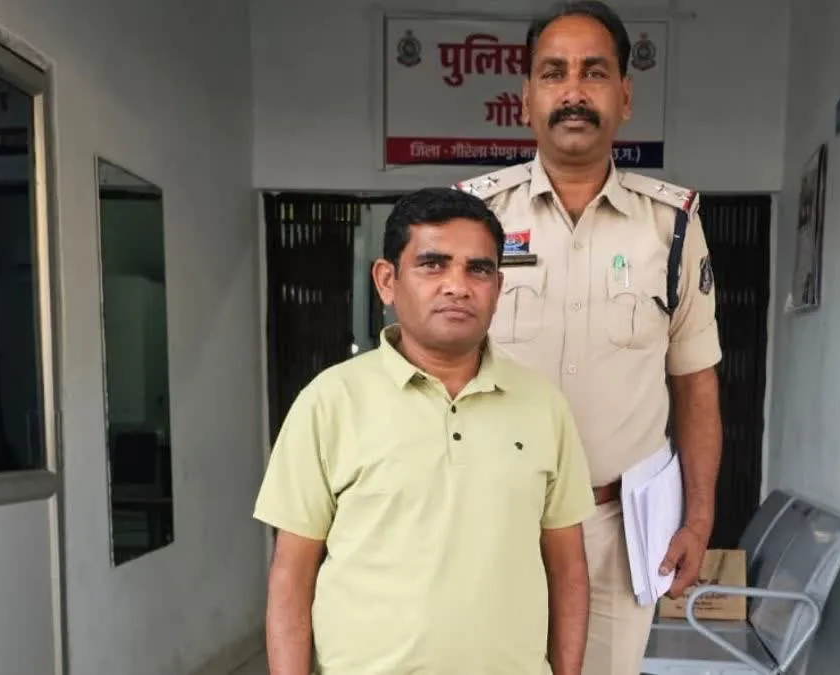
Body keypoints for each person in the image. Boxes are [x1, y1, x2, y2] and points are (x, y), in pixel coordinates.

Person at [453, 2, 725, 673]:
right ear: (525, 100)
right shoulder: (473, 217)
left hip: (615, 531)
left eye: (594, 72)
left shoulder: (672, 227)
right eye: (554, 73)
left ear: (624, 97)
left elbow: (696, 383)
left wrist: (697, 520)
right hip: (489, 520)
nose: (573, 91)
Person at [253, 187, 596, 675]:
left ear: (498, 288)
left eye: (478, 269)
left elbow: (568, 570)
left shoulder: (543, 407)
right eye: (433, 265)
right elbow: (292, 575)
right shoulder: (330, 402)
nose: (458, 286)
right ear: (387, 281)